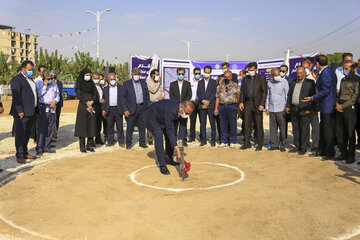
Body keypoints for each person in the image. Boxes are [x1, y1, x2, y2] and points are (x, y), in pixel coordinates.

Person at [144, 100, 194, 175]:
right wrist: (176, 148)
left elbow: (183, 126)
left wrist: (180, 141)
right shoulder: (171, 110)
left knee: (170, 136)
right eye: (186, 113)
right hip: (153, 118)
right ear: (181, 108)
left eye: (189, 114)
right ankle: (162, 164)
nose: (187, 115)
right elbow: (169, 129)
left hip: (164, 117)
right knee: (159, 136)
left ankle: (168, 159)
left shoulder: (184, 110)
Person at [303, 55, 337, 160]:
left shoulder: (326, 72)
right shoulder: (328, 71)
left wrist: (312, 98)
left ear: (317, 64)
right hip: (325, 106)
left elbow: (326, 90)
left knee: (327, 131)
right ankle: (322, 150)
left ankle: (330, 152)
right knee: (323, 129)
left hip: (327, 106)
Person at [10, 60, 38, 163]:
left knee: (27, 134)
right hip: (22, 113)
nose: (31, 71)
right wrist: (20, 111)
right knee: (20, 134)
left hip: (31, 111)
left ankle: (25, 152)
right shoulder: (17, 79)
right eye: (29, 70)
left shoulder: (30, 80)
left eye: (32, 70)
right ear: (23, 69)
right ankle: (19, 155)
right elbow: (16, 96)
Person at [286, 67, 316, 155]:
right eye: (298, 73)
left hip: (304, 109)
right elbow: (289, 96)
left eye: (301, 73)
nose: (299, 75)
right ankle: (297, 146)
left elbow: (313, 97)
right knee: (295, 129)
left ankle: (303, 147)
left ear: (304, 73)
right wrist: (288, 106)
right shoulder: (293, 82)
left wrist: (310, 109)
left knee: (304, 129)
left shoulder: (310, 83)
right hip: (294, 109)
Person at [334, 62, 359, 164]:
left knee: (350, 133)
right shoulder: (343, 80)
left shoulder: (357, 80)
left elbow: (355, 97)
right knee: (340, 132)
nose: (345, 70)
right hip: (340, 108)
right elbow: (339, 95)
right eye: (344, 68)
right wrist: (337, 104)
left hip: (349, 108)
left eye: (347, 68)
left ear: (353, 69)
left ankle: (351, 156)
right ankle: (343, 152)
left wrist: (342, 106)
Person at [239, 62, 267, 151]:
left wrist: (262, 104)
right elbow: (242, 91)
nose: (250, 72)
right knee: (247, 124)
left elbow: (264, 92)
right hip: (247, 104)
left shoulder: (261, 78)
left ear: (256, 70)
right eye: (249, 70)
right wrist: (241, 102)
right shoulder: (245, 79)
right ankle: (246, 143)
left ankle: (260, 143)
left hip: (258, 104)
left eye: (252, 70)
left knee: (258, 125)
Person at [122, 67, 150, 149]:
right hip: (131, 108)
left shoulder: (143, 83)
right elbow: (123, 98)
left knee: (142, 126)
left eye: (138, 74)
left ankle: (142, 142)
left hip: (142, 107)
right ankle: (128, 143)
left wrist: (147, 108)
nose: (136, 76)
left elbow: (147, 96)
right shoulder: (126, 84)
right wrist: (125, 109)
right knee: (130, 127)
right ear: (132, 75)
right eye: (135, 74)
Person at [35, 70, 60, 156]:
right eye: (48, 78)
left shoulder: (54, 84)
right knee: (41, 128)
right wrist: (45, 86)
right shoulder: (38, 84)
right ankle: (39, 148)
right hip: (43, 107)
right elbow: (38, 95)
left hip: (52, 108)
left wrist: (55, 101)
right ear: (43, 77)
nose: (50, 80)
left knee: (50, 128)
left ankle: (47, 147)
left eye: (51, 78)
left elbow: (57, 96)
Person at [214, 70, 240, 148]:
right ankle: (223, 141)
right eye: (225, 77)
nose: (227, 78)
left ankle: (232, 141)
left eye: (228, 76)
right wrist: (216, 108)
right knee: (223, 125)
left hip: (232, 106)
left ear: (231, 77)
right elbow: (217, 98)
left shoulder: (235, 85)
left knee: (232, 124)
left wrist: (238, 107)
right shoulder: (220, 86)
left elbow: (238, 97)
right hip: (222, 107)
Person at [74, 68, 98, 153]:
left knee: (91, 125)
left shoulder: (91, 83)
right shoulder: (79, 83)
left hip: (92, 106)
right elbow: (79, 95)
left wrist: (92, 101)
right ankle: (82, 146)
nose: (88, 77)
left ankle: (90, 145)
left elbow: (95, 94)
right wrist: (86, 102)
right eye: (86, 75)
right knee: (82, 126)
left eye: (89, 75)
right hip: (83, 106)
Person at [265, 68, 289, 152]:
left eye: (277, 74)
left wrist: (286, 107)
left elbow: (287, 95)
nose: (276, 76)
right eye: (274, 75)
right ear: (271, 76)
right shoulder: (269, 83)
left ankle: (282, 145)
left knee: (282, 128)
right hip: (272, 109)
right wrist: (267, 108)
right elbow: (268, 96)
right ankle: (274, 144)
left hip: (281, 109)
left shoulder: (284, 82)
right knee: (273, 128)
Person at [169, 67, 192, 146]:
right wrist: (178, 104)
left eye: (182, 74)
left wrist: (183, 104)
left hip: (184, 107)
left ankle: (184, 141)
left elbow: (189, 94)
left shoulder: (187, 84)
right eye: (179, 74)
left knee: (183, 125)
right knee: (175, 125)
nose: (181, 75)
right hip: (175, 108)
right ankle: (174, 141)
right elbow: (171, 95)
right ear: (177, 74)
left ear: (184, 74)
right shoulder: (172, 84)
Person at [102, 73, 125, 147]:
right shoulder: (105, 89)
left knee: (120, 127)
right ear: (108, 80)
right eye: (111, 79)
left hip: (118, 109)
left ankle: (121, 142)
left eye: (114, 79)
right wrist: (103, 109)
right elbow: (103, 100)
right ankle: (110, 141)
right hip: (109, 110)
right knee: (110, 127)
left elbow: (123, 99)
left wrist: (124, 109)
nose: (113, 81)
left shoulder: (121, 88)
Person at [301, 60, 320, 152]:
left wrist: (316, 105)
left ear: (311, 66)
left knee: (315, 127)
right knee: (305, 127)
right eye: (303, 68)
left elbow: (317, 93)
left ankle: (316, 144)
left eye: (306, 68)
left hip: (313, 106)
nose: (305, 70)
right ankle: (306, 143)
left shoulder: (314, 78)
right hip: (304, 107)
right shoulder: (301, 79)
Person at [197, 65, 217, 146]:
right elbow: (199, 93)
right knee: (203, 124)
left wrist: (208, 101)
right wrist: (203, 101)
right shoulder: (200, 82)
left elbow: (214, 93)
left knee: (212, 124)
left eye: (208, 72)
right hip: (202, 106)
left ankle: (213, 140)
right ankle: (203, 140)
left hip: (211, 105)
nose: (207, 74)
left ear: (210, 73)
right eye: (205, 72)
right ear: (203, 72)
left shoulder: (213, 82)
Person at [146, 69, 164, 145]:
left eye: (158, 75)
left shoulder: (159, 83)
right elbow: (153, 90)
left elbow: (162, 91)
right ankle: (150, 138)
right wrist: (158, 82)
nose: (157, 76)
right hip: (151, 104)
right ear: (152, 75)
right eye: (156, 75)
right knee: (150, 121)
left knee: (159, 121)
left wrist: (162, 96)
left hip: (159, 104)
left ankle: (158, 136)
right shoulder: (148, 82)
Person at [92, 72, 105, 145]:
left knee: (99, 124)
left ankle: (98, 139)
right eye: (95, 78)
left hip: (100, 107)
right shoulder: (90, 86)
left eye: (98, 78)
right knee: (93, 124)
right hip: (94, 106)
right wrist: (98, 99)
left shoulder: (99, 85)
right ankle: (91, 140)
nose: (97, 80)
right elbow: (91, 96)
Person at [189, 67, 201, 142]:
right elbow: (189, 93)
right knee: (192, 121)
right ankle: (192, 137)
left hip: (200, 103)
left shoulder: (202, 82)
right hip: (192, 103)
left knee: (202, 121)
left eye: (199, 73)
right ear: (193, 73)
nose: (197, 75)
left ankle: (202, 136)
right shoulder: (190, 82)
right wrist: (193, 100)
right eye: (196, 73)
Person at [51, 70, 63, 141]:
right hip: (51, 104)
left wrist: (55, 84)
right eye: (52, 75)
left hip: (58, 104)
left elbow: (59, 91)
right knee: (51, 117)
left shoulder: (59, 83)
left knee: (56, 118)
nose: (53, 76)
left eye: (54, 75)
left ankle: (55, 133)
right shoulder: (49, 82)